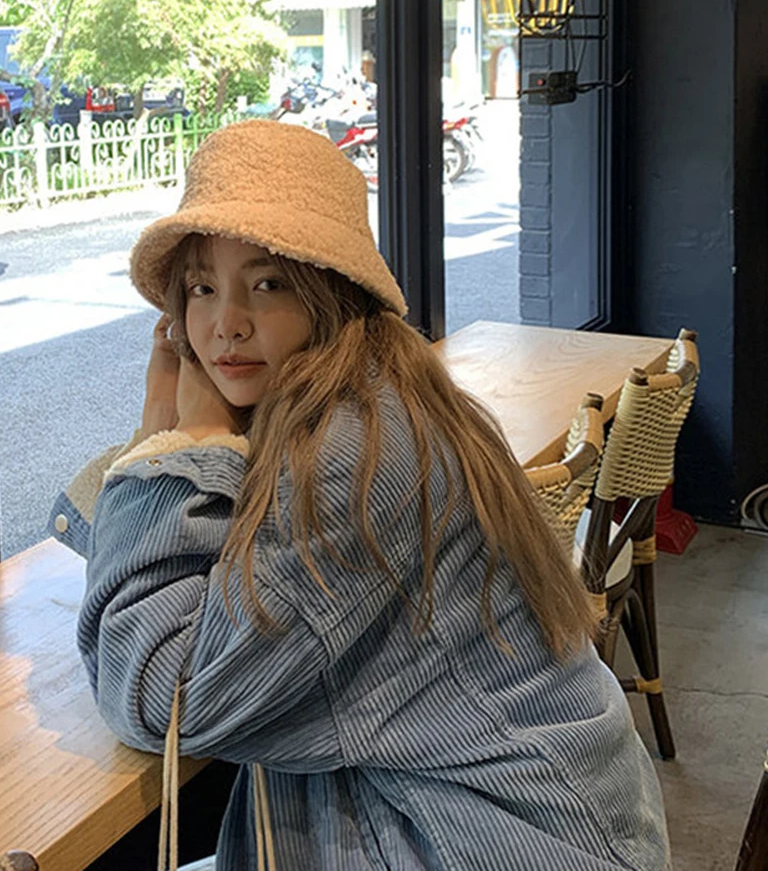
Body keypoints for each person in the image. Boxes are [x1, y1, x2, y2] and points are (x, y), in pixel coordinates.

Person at [48, 120, 670, 870]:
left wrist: (178, 440)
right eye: (202, 289)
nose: (225, 325)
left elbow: (158, 693)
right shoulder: (371, 391)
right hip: (508, 811)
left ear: (331, 292)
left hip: (498, 838)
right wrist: (178, 439)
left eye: (268, 284)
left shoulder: (356, 451)